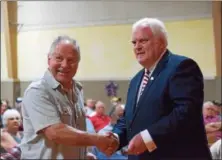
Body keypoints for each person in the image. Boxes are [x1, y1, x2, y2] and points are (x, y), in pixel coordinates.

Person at [110, 18, 212, 160]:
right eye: (134, 42)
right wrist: (114, 136)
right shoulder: (135, 80)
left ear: (161, 43)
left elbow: (185, 112)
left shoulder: (182, 67)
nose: (137, 47)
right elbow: (129, 118)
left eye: (143, 41)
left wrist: (147, 138)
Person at [20, 36, 118, 159]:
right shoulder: (38, 90)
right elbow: (56, 132)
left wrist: (82, 155)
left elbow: (73, 131)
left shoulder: (77, 89)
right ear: (49, 59)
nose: (65, 65)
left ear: (78, 64)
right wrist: (98, 139)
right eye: (59, 58)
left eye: (71, 60)